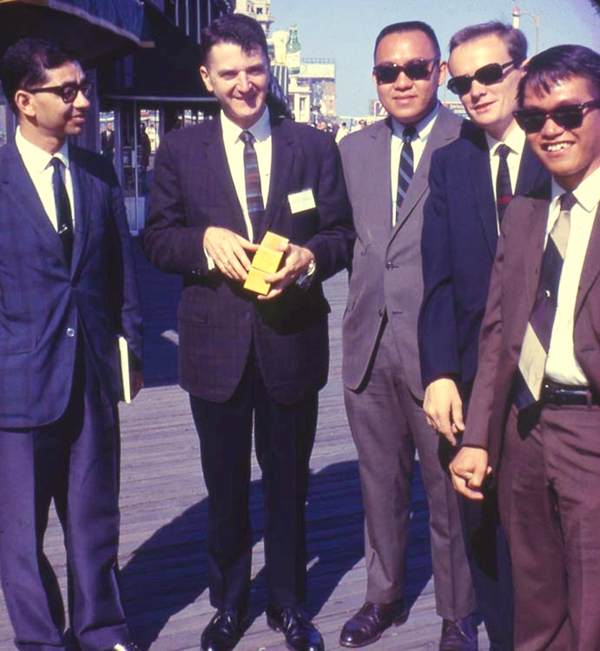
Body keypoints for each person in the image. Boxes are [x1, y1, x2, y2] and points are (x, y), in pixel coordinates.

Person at [142, 13, 353, 651]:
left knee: (289, 484)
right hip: (215, 349)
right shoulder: (179, 151)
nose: (245, 84)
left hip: (291, 342)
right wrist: (203, 241)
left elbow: (341, 235)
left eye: (254, 69)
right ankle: (229, 604)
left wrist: (309, 259)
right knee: (225, 487)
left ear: (268, 68)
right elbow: (156, 239)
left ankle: (288, 604)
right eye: (229, 73)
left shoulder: (312, 146)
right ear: (206, 78)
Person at [449, 44, 600, 650]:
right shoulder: (525, 213)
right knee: (535, 612)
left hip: (591, 431)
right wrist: (478, 438)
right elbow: (498, 335)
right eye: (534, 118)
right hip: (524, 430)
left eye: (569, 113)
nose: (551, 130)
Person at [0, 38, 142, 651]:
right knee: (18, 535)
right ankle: (40, 641)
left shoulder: (98, 174)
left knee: (94, 520)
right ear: (25, 101)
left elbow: (121, 277)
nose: (82, 99)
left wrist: (130, 353)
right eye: (67, 90)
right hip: (16, 388)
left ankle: (101, 630)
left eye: (84, 87)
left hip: (91, 381)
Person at [338, 21, 476, 650]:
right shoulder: (352, 150)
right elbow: (339, 236)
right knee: (379, 485)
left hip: (440, 352)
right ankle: (383, 595)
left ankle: (457, 612)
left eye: (416, 68)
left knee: (448, 491)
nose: (401, 81)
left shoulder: (467, 140)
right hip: (368, 347)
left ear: (439, 72)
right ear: (374, 79)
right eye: (387, 71)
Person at [418, 21, 550, 650]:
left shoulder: (562, 149)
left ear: (522, 70)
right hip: (476, 382)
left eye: (490, 74)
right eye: (462, 82)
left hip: (558, 384)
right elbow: (438, 281)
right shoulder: (452, 164)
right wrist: (440, 372)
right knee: (485, 534)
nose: (475, 89)